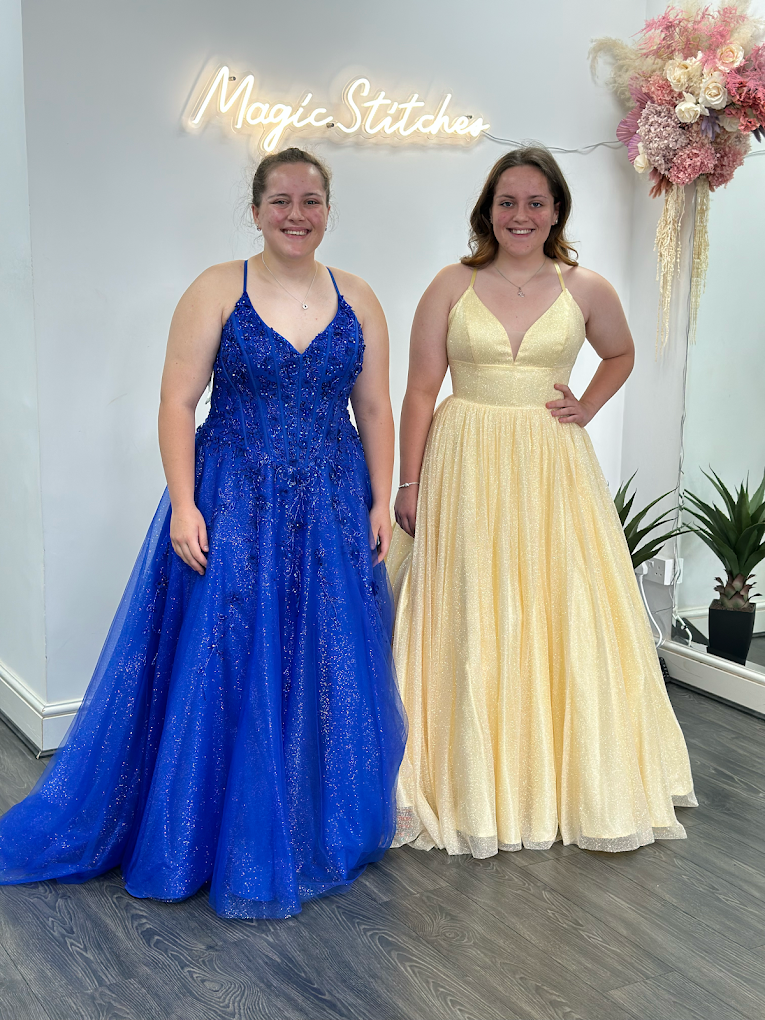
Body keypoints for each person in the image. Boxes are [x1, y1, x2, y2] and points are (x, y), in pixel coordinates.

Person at [0, 147, 406, 917]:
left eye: (311, 200)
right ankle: (204, 831)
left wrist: (378, 500)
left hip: (327, 505)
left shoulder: (358, 296)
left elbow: (376, 410)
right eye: (280, 200)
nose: (296, 214)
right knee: (226, 659)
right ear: (255, 209)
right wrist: (184, 504)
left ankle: (305, 820)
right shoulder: (219, 288)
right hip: (233, 503)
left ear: (328, 209)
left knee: (322, 659)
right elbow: (176, 403)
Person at [387, 146, 696, 858]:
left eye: (534, 202)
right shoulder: (448, 285)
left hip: (551, 467)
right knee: (468, 605)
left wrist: (585, 404)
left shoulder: (585, 288)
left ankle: (557, 781)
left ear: (555, 209)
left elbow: (618, 355)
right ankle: (467, 779)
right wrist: (409, 481)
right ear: (486, 211)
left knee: (558, 605)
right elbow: (417, 390)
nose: (519, 215)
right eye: (506, 202)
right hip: (463, 457)